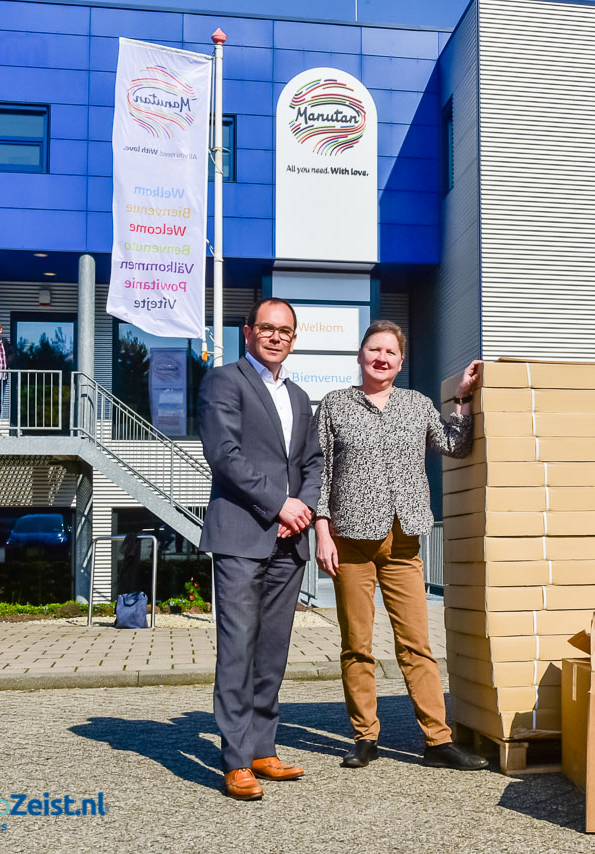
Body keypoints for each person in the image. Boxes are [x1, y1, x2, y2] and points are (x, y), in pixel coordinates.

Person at [314, 320, 487, 771]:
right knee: (357, 645)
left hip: (404, 541)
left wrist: (464, 398)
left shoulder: (417, 404)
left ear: (401, 361)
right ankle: (365, 737)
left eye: (391, 352)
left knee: (416, 645)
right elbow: (321, 473)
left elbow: (454, 444)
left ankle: (437, 741)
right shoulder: (335, 405)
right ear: (360, 355)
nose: (382, 358)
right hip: (350, 541)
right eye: (374, 349)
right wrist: (321, 530)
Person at [198, 297, 323, 800]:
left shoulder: (296, 396)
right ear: (248, 333)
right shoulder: (224, 381)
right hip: (242, 534)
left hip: (289, 540)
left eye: (286, 331)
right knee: (238, 649)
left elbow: (313, 462)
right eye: (267, 328)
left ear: (294, 339)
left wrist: (304, 507)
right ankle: (235, 760)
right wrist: (280, 504)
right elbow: (223, 455)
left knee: (272, 649)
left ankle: (262, 748)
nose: (276, 337)